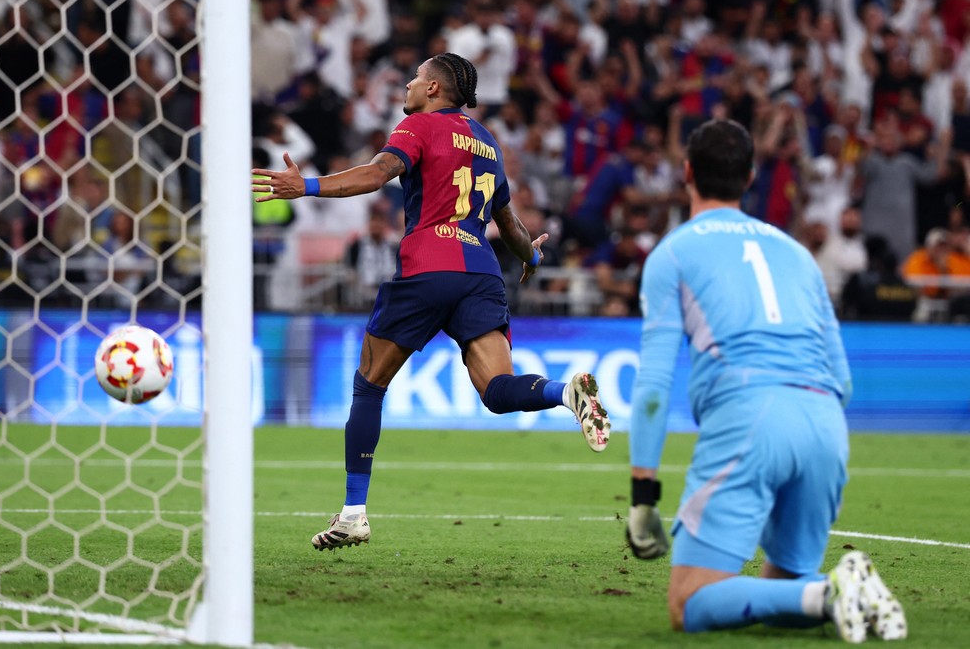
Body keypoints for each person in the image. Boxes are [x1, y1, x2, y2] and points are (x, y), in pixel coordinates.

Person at [252, 52, 611, 551]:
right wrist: (530, 254)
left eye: (416, 79)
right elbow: (507, 223)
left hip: (428, 267)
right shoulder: (488, 143)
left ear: (435, 90)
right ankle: (564, 392)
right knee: (497, 389)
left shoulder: (419, 127)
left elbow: (376, 175)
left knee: (369, 386)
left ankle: (354, 513)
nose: (407, 85)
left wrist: (306, 186)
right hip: (481, 274)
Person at [624, 118, 907, 642]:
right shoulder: (798, 253)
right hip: (824, 423)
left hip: (750, 417)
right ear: (752, 177)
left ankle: (834, 591)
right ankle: (832, 592)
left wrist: (643, 493)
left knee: (690, 603)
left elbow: (654, 386)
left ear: (686, 172)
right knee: (784, 589)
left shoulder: (673, 252)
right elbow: (841, 378)